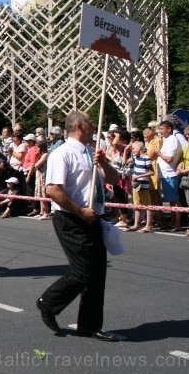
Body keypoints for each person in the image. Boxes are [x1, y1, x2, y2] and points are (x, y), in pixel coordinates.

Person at [36, 111, 120, 342]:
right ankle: (49, 302)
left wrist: (104, 163)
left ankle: (89, 325)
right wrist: (80, 211)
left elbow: (113, 179)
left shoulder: (92, 153)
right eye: (92, 123)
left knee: (97, 273)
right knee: (83, 271)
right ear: (80, 126)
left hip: (94, 218)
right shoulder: (61, 153)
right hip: (71, 218)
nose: (95, 127)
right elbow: (52, 190)